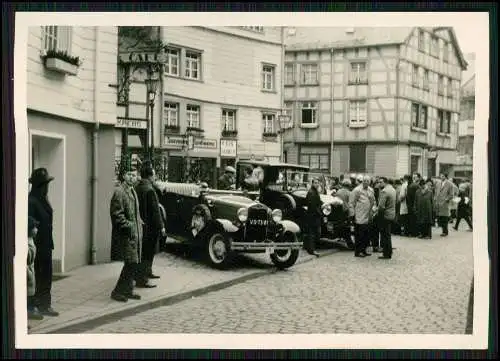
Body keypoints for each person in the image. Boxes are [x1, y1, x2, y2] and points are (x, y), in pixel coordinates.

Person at [109, 164, 144, 302]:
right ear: (124, 176)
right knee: (130, 263)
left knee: (133, 263)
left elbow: (135, 212)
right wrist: (129, 226)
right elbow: (117, 215)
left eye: (134, 175)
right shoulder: (119, 192)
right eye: (129, 174)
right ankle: (117, 291)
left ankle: (128, 290)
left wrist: (139, 222)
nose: (131, 177)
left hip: (135, 234)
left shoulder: (132, 191)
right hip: (127, 235)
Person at [28, 168, 59, 317]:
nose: (48, 187)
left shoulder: (42, 199)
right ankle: (37, 305)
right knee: (38, 277)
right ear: (41, 185)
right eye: (46, 184)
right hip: (37, 247)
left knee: (46, 276)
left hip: (46, 245)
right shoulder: (31, 201)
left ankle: (45, 305)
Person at [135, 161, 166, 286]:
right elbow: (156, 211)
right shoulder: (150, 190)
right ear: (149, 176)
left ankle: (146, 273)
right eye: (154, 176)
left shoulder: (138, 187)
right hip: (150, 227)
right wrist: (161, 227)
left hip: (141, 225)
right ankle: (143, 279)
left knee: (144, 252)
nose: (155, 178)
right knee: (148, 252)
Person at [349, 175, 376, 258]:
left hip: (368, 216)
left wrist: (374, 210)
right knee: (359, 235)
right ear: (362, 181)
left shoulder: (371, 190)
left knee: (366, 235)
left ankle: (364, 250)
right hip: (359, 216)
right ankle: (358, 251)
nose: (366, 182)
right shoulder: (357, 190)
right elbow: (351, 203)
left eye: (368, 181)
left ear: (370, 182)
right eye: (365, 181)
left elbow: (374, 201)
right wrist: (352, 214)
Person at [376, 177, 396, 259]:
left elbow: (381, 206)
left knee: (384, 235)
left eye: (381, 182)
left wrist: (378, 216)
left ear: (385, 182)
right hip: (391, 214)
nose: (379, 184)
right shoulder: (392, 189)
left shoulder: (384, 191)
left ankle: (386, 253)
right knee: (388, 234)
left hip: (385, 215)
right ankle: (389, 251)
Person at [27, 216, 43, 322]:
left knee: (29, 296)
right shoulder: (26, 243)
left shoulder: (31, 240)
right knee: (26, 297)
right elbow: (26, 261)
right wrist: (29, 274)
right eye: (34, 227)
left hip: (30, 274)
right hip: (27, 275)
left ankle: (31, 310)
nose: (36, 229)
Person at [304, 178, 322, 257]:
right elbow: (313, 206)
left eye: (317, 183)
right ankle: (312, 250)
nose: (317, 184)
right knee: (313, 233)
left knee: (314, 233)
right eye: (315, 183)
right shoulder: (312, 192)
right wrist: (320, 213)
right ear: (312, 183)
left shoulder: (314, 192)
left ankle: (311, 248)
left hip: (313, 215)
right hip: (313, 216)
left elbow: (318, 202)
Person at [335, 179, 355, 250]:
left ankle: (341, 237)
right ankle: (350, 244)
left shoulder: (338, 191)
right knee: (347, 228)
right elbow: (351, 203)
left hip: (339, 211)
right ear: (349, 185)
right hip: (346, 211)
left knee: (341, 225)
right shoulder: (349, 193)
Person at [434, 173, 454, 237]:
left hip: (445, 203)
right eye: (440, 176)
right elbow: (436, 191)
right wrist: (435, 198)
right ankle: (443, 230)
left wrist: (446, 199)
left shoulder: (450, 184)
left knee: (444, 218)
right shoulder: (438, 183)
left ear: (446, 176)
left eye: (442, 176)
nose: (441, 177)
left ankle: (445, 232)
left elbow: (451, 195)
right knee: (441, 217)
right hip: (439, 203)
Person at [406, 173, 421, 237]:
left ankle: (412, 232)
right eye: (413, 177)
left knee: (412, 219)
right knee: (414, 219)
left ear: (419, 178)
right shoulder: (414, 185)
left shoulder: (412, 185)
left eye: (415, 177)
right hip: (413, 204)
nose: (414, 178)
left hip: (411, 204)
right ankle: (415, 232)